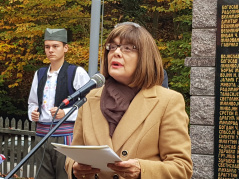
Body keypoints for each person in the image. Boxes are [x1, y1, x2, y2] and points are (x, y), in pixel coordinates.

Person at [65, 22, 193, 179]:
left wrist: (142, 170)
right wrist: (74, 168)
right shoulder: (91, 98)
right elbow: (75, 153)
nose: (116, 52)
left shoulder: (168, 101)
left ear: (145, 56)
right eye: (112, 47)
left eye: (127, 48)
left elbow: (182, 168)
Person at [28, 28, 90, 179]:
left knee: (66, 175)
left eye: (55, 46)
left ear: (65, 48)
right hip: (42, 134)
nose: (50, 50)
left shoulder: (76, 72)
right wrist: (33, 113)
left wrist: (67, 113)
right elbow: (32, 103)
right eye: (47, 47)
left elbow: (90, 104)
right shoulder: (40, 73)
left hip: (66, 135)